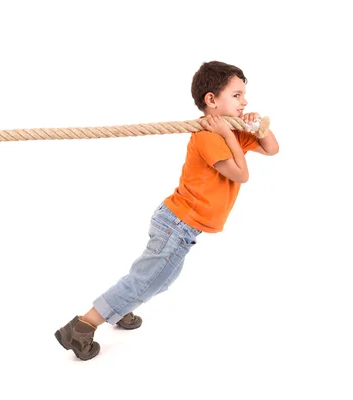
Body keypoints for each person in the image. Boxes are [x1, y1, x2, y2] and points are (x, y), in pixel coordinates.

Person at [54, 61, 280, 360]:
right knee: (147, 279)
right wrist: (227, 135)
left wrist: (258, 127)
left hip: (182, 225)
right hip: (177, 225)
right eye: (237, 95)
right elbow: (241, 173)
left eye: (244, 95)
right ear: (211, 100)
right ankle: (82, 327)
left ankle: (121, 306)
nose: (245, 101)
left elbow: (272, 148)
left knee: (159, 278)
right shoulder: (210, 135)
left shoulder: (233, 132)